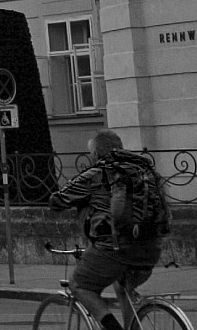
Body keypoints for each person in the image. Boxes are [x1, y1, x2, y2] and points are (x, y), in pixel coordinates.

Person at [47, 129, 169, 330]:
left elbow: (57, 200)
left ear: (94, 154)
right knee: (123, 288)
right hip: (151, 247)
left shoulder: (96, 173)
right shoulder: (145, 170)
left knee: (79, 285)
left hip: (114, 248)